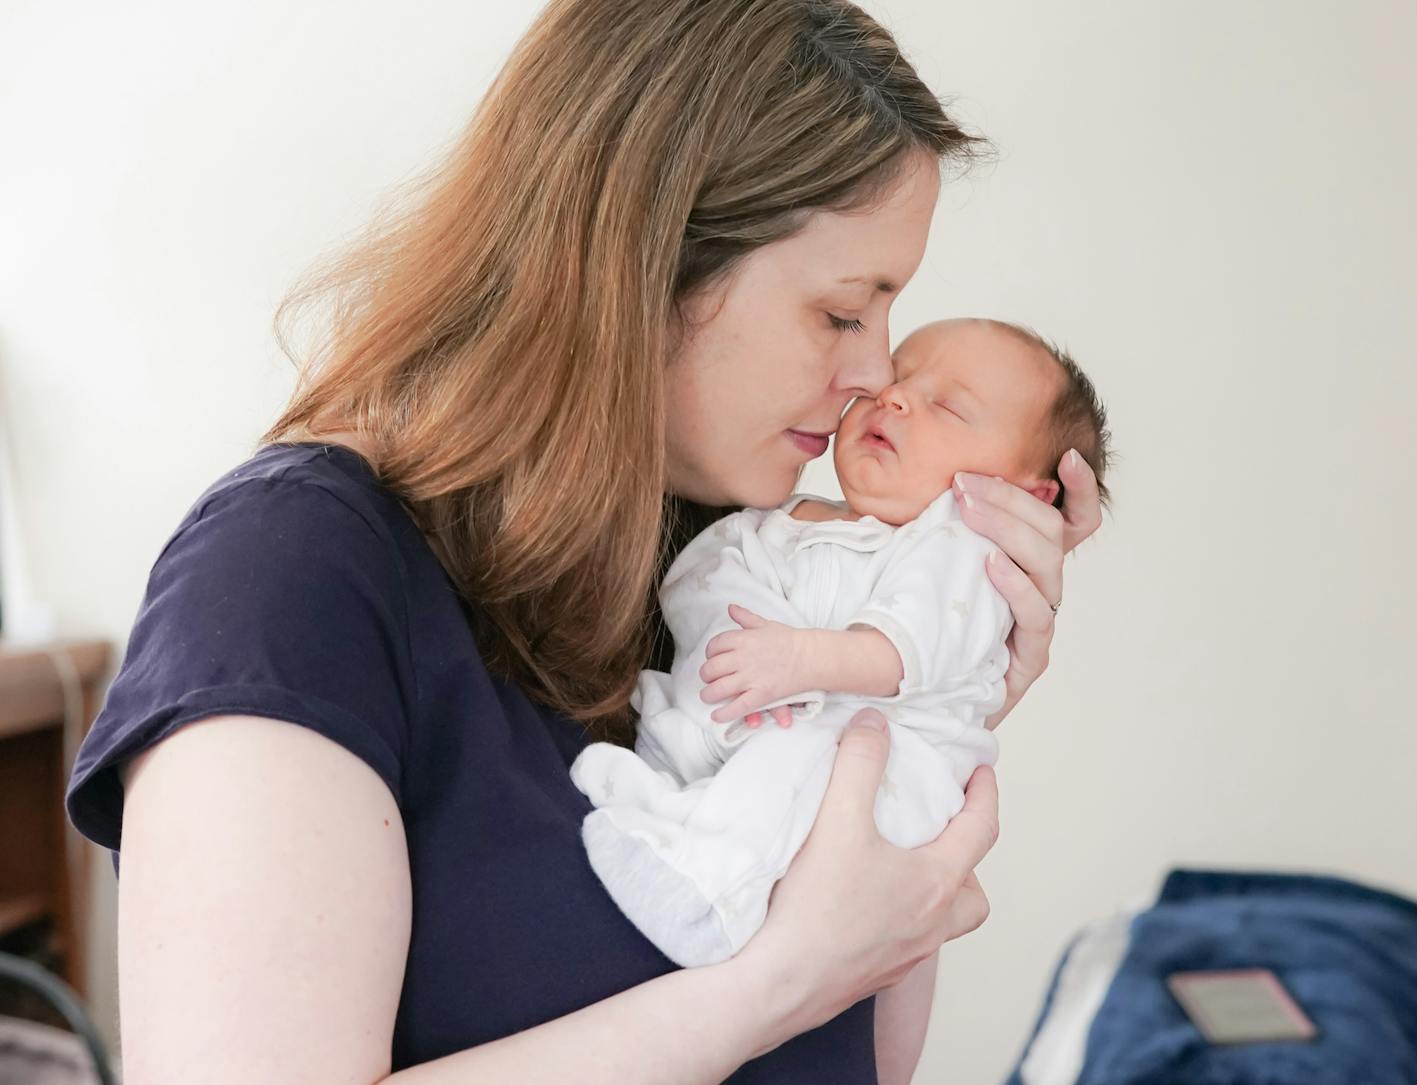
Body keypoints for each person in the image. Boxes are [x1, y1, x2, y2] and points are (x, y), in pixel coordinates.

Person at [64, 2, 1104, 1082]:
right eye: (843, 312)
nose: (872, 375)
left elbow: (855, 1060)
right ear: (642, 265)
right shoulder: (293, 575)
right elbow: (802, 984)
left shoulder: (731, 561)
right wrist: (769, 984)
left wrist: (923, 717)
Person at [570, 317, 1114, 969]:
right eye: (900, 374)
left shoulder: (965, 551)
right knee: (677, 716)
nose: (895, 396)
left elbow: (908, 644)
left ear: (1025, 495)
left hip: (882, 777)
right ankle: (674, 813)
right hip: (767, 720)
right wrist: (738, 650)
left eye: (948, 405)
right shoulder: (782, 520)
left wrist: (798, 661)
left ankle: (706, 890)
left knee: (796, 758)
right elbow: (703, 579)